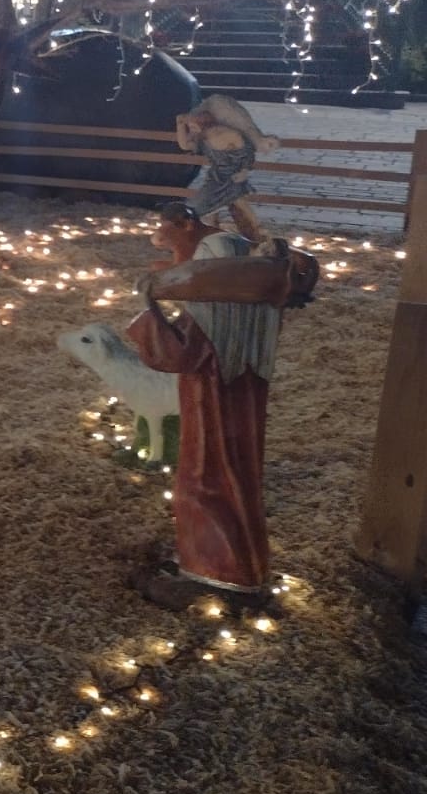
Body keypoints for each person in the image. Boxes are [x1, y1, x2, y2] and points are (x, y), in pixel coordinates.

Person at [124, 202, 315, 611]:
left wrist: (147, 314)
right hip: (243, 395)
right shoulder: (255, 320)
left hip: (208, 401)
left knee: (203, 480)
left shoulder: (212, 322)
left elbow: (175, 355)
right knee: (239, 478)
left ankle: (216, 574)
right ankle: (246, 569)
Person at [176, 94, 279, 243]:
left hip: (232, 178)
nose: (191, 130)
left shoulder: (226, 134)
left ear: (202, 123)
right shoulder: (203, 138)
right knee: (206, 207)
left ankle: (257, 236)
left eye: (193, 126)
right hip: (216, 178)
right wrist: (179, 124)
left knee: (231, 207)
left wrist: (244, 171)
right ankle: (210, 236)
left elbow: (247, 152)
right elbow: (185, 145)